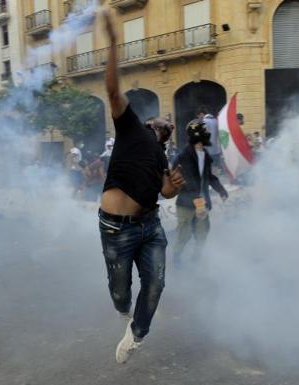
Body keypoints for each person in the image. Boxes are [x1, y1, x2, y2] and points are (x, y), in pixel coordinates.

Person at [98, 9, 185, 364]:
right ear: (151, 123)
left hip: (151, 226)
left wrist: (174, 188)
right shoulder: (132, 129)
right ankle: (124, 310)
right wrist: (115, 42)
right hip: (116, 228)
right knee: (121, 292)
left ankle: (136, 335)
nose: (169, 122)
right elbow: (113, 89)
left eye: (171, 124)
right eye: (164, 119)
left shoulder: (164, 157)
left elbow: (165, 193)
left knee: (157, 283)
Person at [171, 119, 228, 267]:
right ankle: (176, 259)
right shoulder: (185, 155)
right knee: (184, 234)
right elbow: (189, 182)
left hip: (201, 203)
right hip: (187, 203)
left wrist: (221, 190)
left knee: (202, 233)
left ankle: (196, 260)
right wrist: (199, 204)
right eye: (206, 133)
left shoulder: (205, 155)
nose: (209, 135)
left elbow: (209, 177)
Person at [197, 106, 224, 173]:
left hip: (207, 149)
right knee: (215, 166)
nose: (199, 118)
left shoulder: (204, 122)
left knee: (206, 167)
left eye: (198, 115)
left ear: (201, 114)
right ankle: (214, 180)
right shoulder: (216, 121)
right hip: (216, 149)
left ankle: (208, 181)